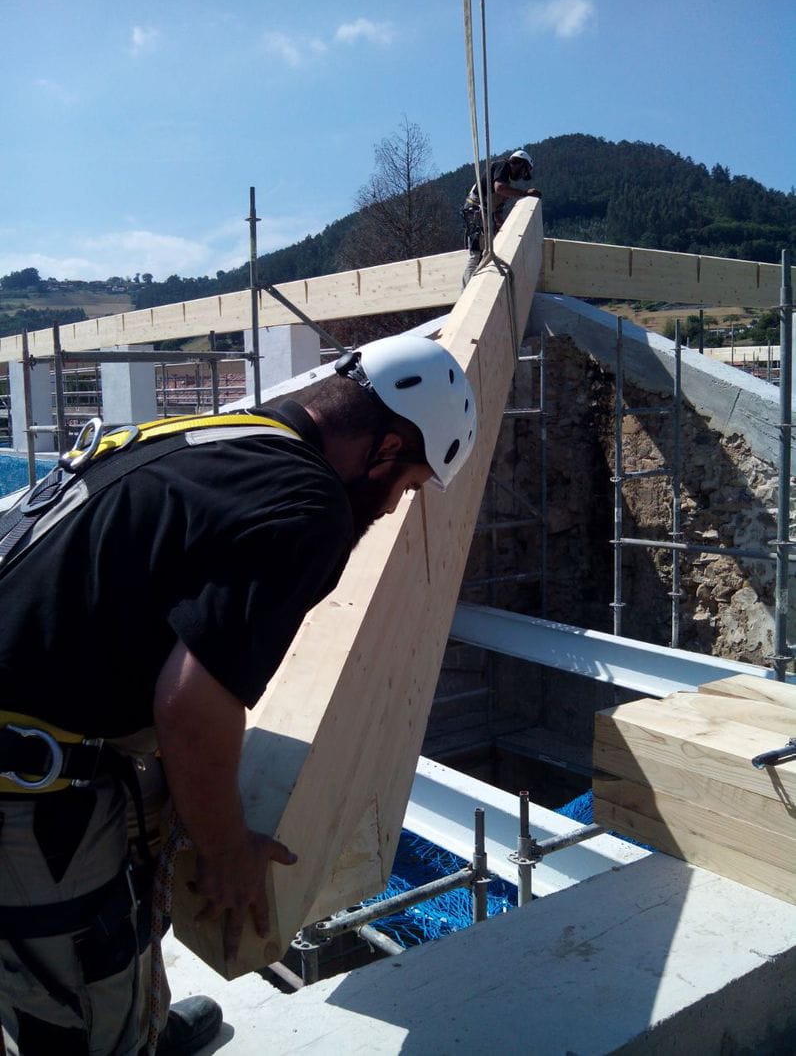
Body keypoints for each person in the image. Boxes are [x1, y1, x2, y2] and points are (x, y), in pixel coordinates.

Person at [0, 333, 477, 1056]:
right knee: (68, 1010)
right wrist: (227, 850)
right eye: (407, 485)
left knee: (81, 957)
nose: (393, 507)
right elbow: (192, 706)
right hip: (26, 788)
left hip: (31, 718)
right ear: (383, 451)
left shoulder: (232, 436)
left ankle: (137, 1023)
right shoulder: (307, 504)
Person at [461, 149, 541, 286]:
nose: (523, 176)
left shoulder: (505, 182)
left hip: (483, 214)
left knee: (486, 254)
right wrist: (525, 193)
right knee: (476, 255)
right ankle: (467, 293)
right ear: (519, 163)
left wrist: (506, 231)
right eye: (524, 171)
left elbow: (496, 213)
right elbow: (499, 188)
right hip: (476, 212)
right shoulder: (502, 166)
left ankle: (477, 287)